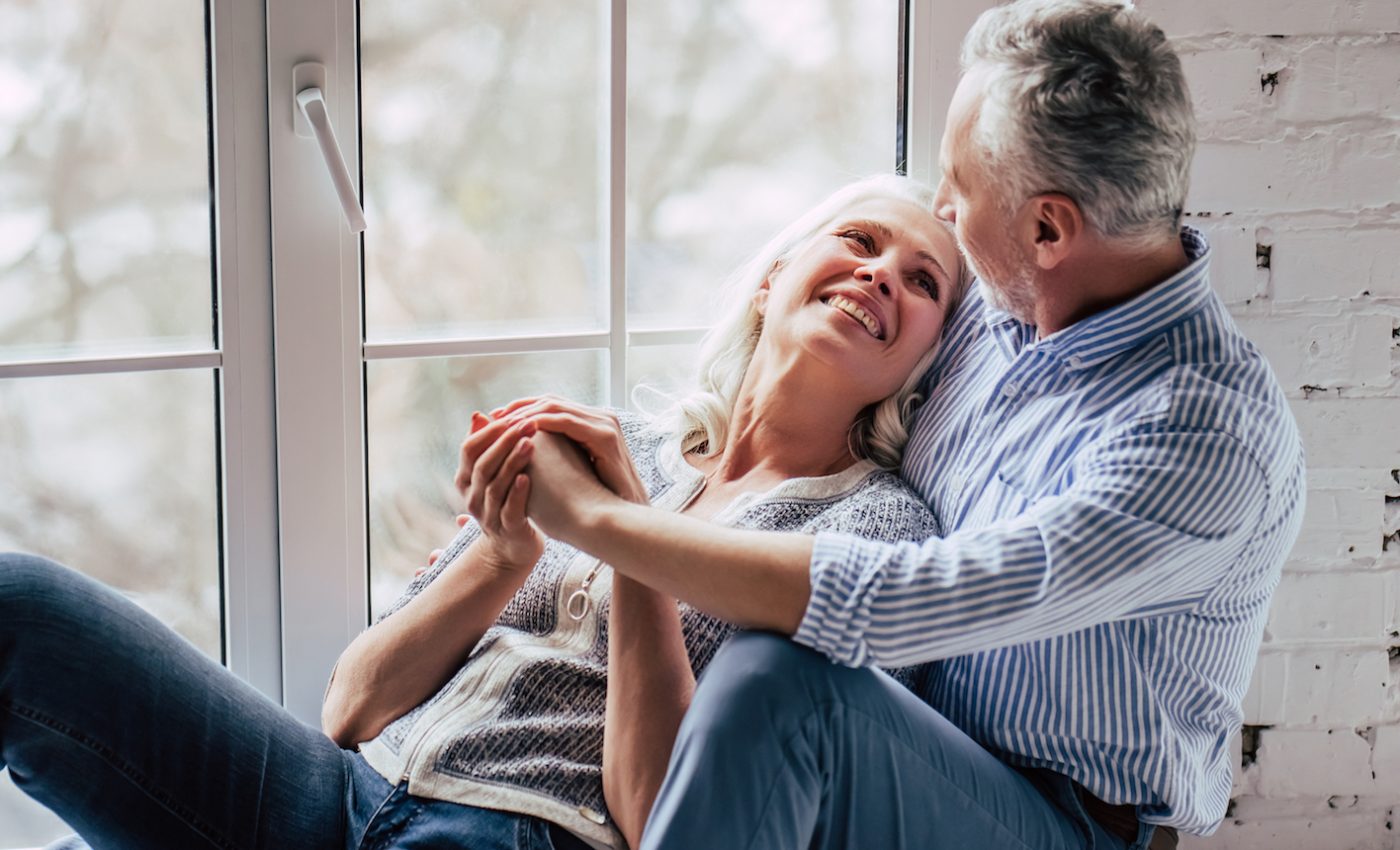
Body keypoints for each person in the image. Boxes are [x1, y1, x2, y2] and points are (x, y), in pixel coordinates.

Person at [460, 2, 1306, 849]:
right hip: (908, 735)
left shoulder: (1205, 436)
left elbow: (896, 600)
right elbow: (820, 334)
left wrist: (602, 522)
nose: (940, 206)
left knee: (775, 681)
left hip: (1064, 820)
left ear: (1049, 227)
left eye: (959, 187)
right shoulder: (1008, 302)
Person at [0, 173, 969, 850]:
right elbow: (351, 705)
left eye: (920, 281)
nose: (880, 272)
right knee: (22, 610)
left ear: (923, 361)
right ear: (773, 276)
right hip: (340, 793)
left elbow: (656, 820)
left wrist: (625, 541)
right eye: (858, 239)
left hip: (526, 834)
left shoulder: (877, 533)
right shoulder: (614, 443)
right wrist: (502, 552)